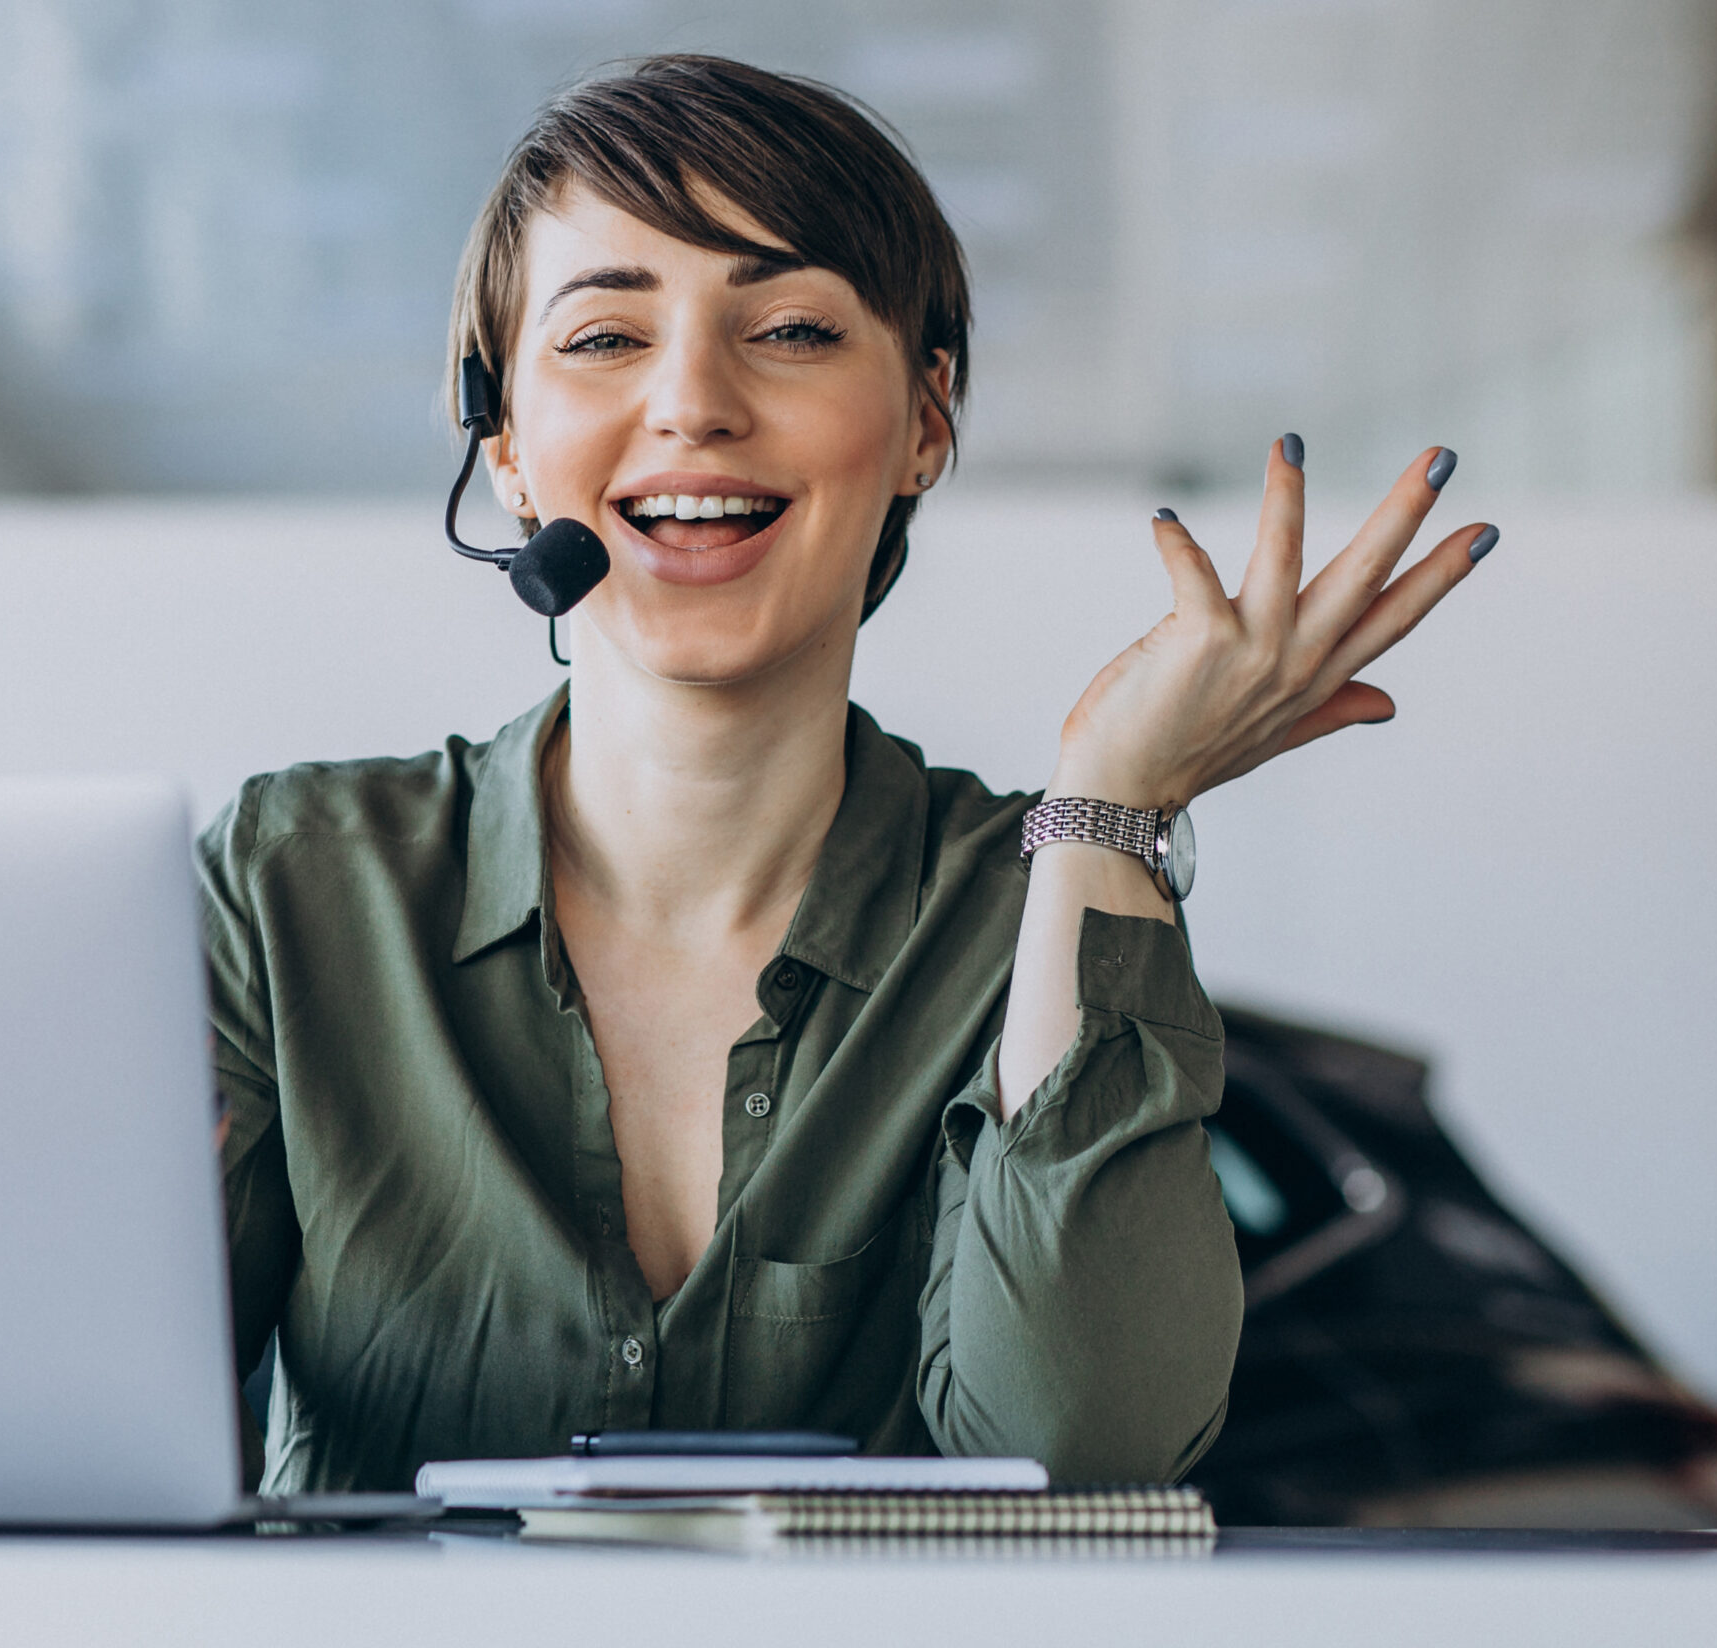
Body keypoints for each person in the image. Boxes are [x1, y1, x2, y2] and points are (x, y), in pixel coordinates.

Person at [199, 55, 1495, 1494]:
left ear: (925, 424)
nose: (692, 403)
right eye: (606, 338)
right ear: (503, 443)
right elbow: (93, 1413)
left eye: (795, 328)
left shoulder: (1036, 908)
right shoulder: (287, 884)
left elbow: (1086, 1448)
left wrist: (1111, 804)